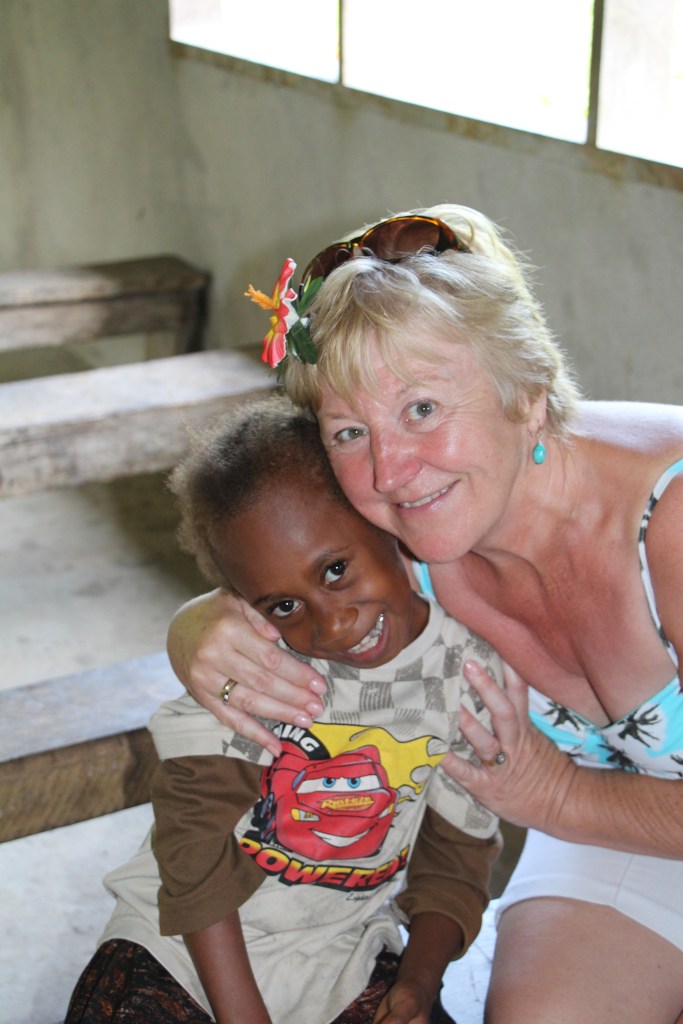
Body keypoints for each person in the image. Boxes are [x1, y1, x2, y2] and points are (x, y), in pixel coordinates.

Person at [166, 204, 683, 1024]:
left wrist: (556, 796)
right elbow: (287, 572)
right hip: (625, 831)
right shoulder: (406, 534)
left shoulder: (670, 520)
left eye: (422, 410)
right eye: (348, 431)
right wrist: (196, 628)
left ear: (526, 393)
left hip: (590, 806)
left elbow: (555, 797)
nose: (390, 470)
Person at [66, 395, 503, 1024]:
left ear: (381, 520)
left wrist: (417, 981)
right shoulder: (254, 669)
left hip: (341, 955)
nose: (333, 624)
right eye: (284, 606)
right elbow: (192, 849)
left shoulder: (468, 677)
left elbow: (456, 858)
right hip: (184, 951)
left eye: (335, 570)